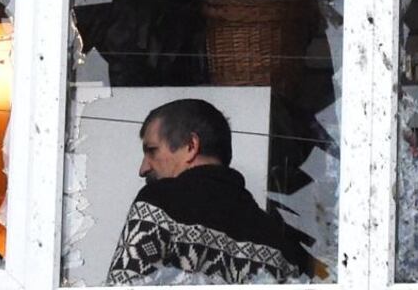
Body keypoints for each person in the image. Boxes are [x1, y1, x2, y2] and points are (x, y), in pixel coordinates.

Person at [106, 99, 303, 284]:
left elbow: (123, 284)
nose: (143, 169)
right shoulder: (279, 243)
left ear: (191, 146)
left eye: (152, 150)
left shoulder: (158, 201)